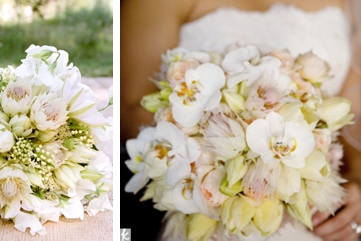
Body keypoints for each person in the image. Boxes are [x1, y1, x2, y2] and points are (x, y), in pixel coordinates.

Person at [122, 0, 361, 240]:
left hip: (313, 218)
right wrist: (227, 155)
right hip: (208, 209)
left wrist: (357, 181)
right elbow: (132, 109)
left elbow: (350, 120)